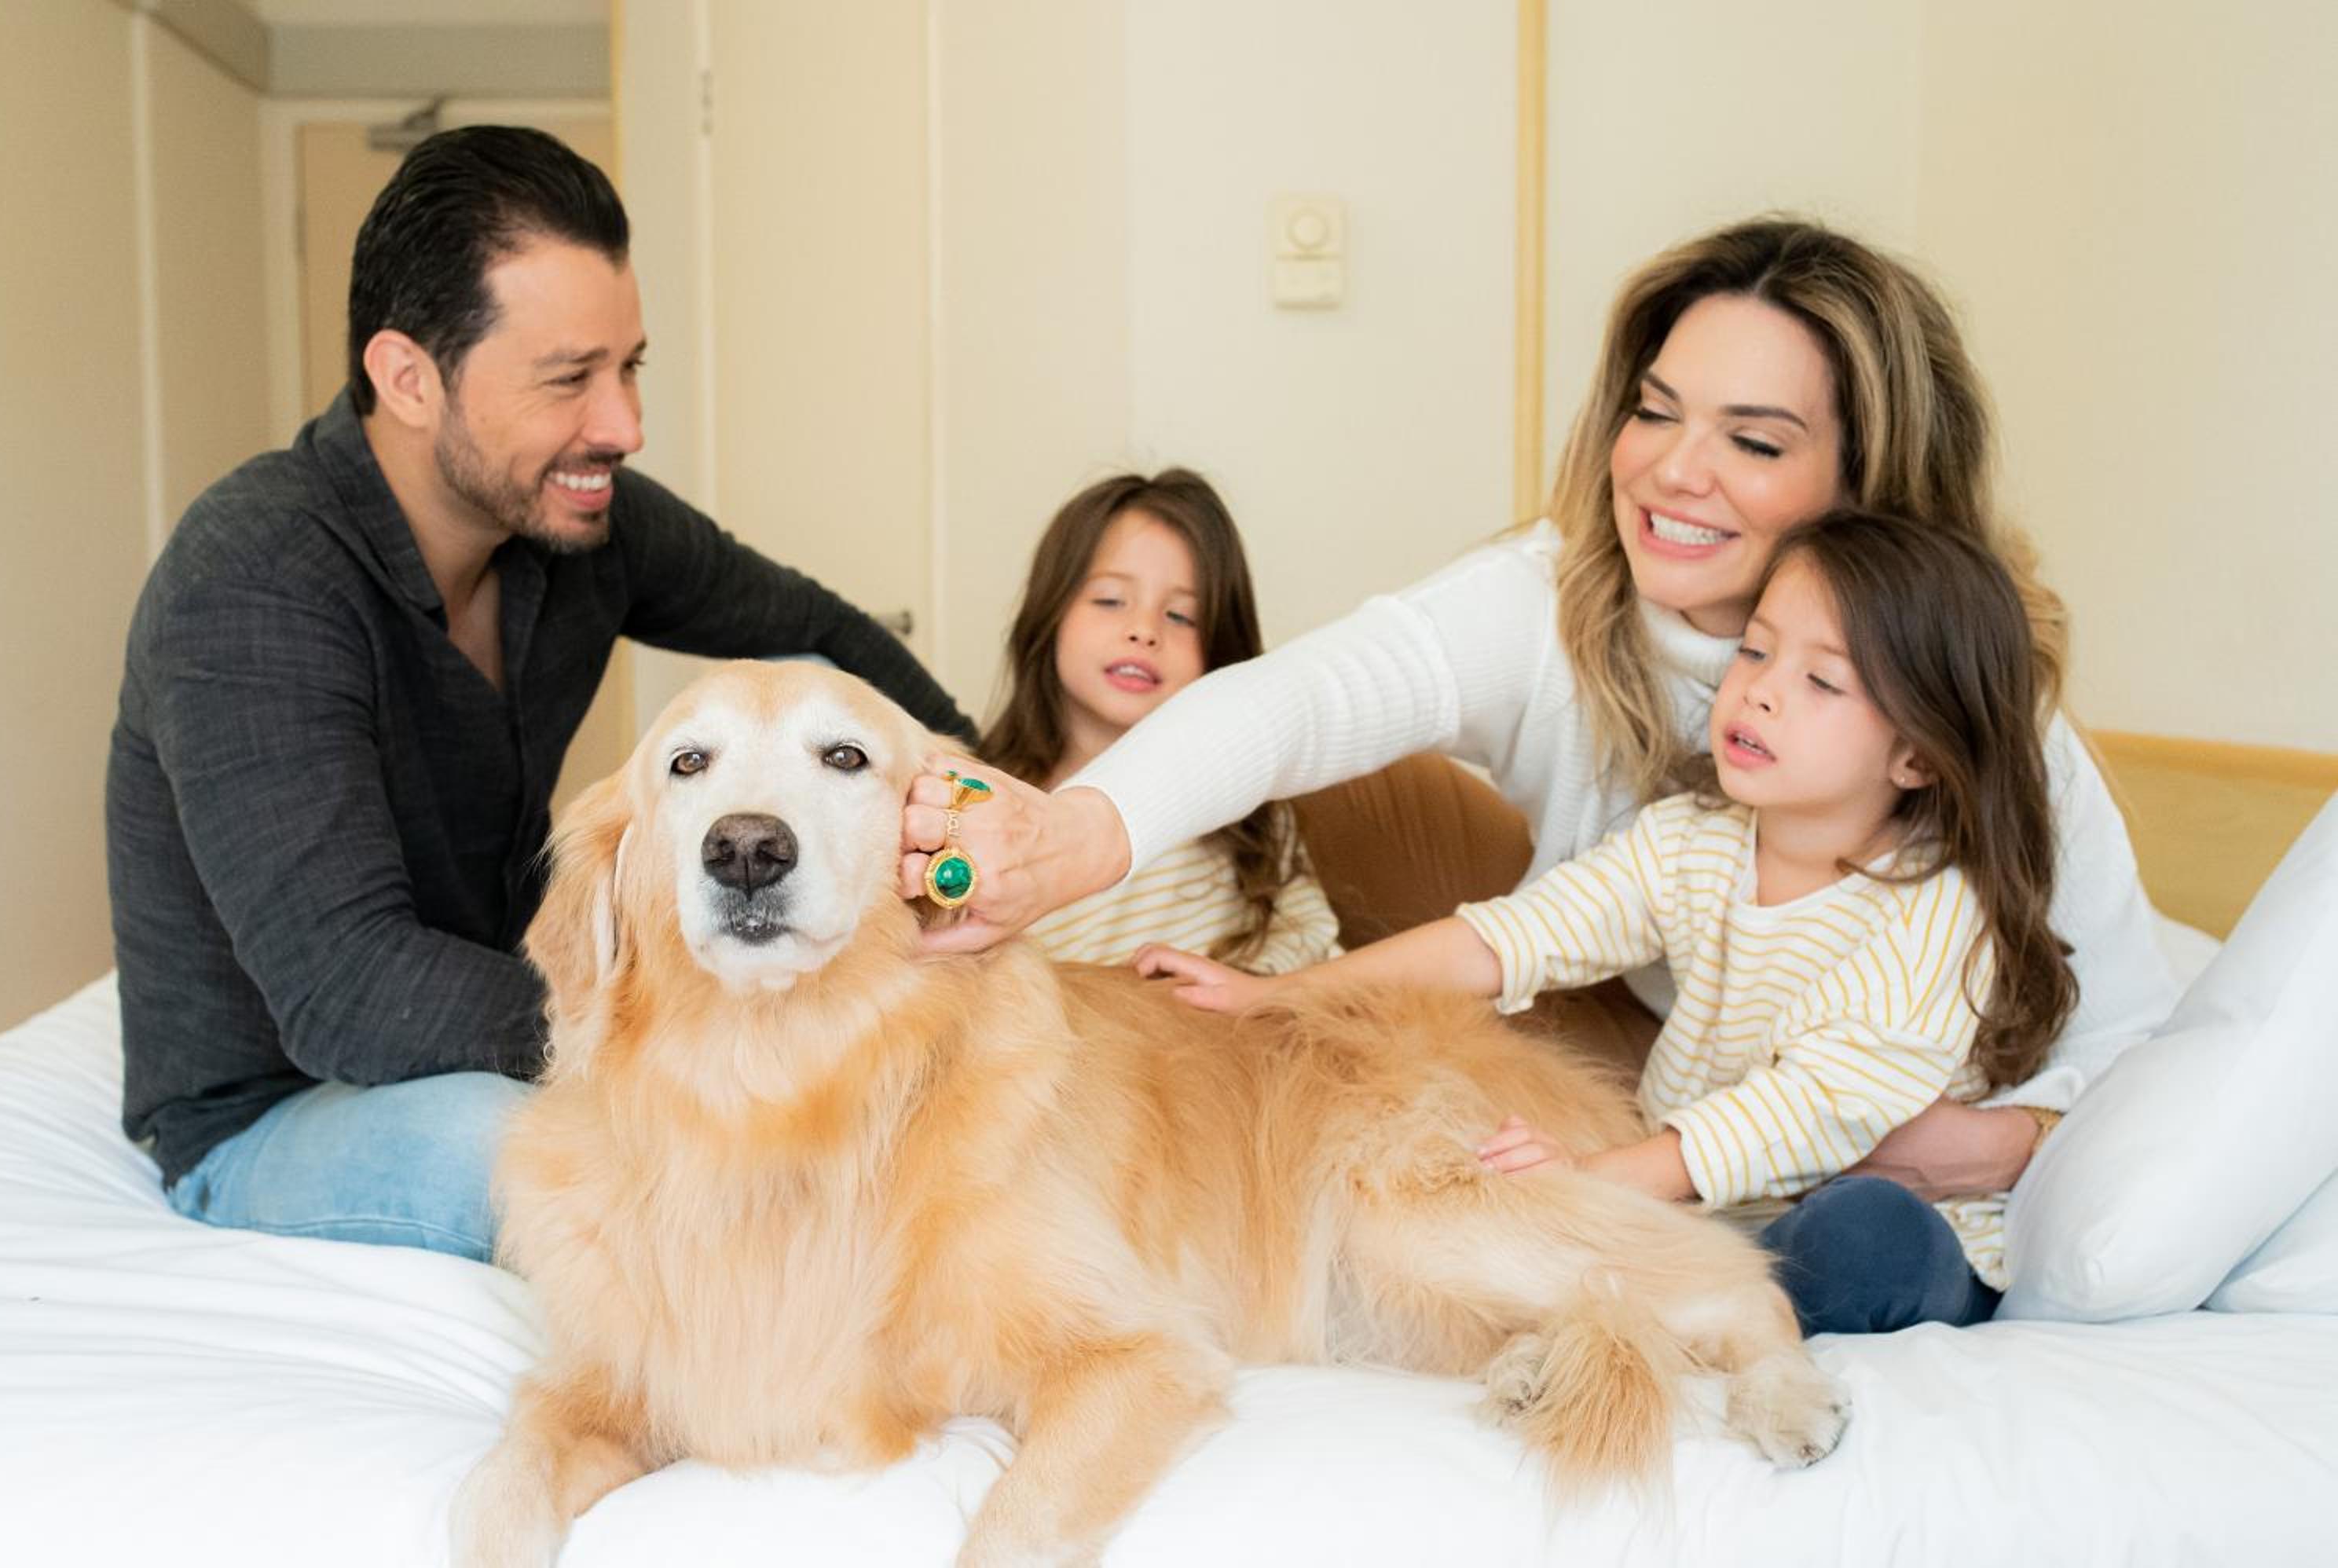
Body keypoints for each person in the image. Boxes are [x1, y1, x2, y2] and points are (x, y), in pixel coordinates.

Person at [898, 215, 2180, 1205]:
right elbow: (1307, 699)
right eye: (1656, 412)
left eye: (1753, 441)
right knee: (1350, 766)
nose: (1673, 470)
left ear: (1868, 486)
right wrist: (1076, 838)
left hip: (1817, 1093)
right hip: (1626, 1030)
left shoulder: (1969, 704)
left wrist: (1997, 1143)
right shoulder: (1551, 597)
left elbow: (2134, 1030)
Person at [107, 126, 974, 1262]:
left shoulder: (577, 520)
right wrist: (678, 1018)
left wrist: (988, 807)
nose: (624, 427)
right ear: (408, 378)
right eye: (570, 379)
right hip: (276, 1105)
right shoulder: (251, 580)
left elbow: (817, 634)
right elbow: (349, 993)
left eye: (630, 368)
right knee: (564, 1160)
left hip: (506, 1025)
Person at [1142, 511, 2070, 1333]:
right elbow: (1510, 938)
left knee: (1862, 1234)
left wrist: (1593, 1179)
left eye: (1822, 681)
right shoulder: (1695, 841)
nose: (1760, 690)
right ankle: (1702, 1295)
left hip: (1868, 1213)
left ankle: (1762, 1304)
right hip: (1704, 1210)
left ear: (1917, 756)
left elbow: (1803, 1109)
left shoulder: (1937, 912)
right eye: (1755, 651)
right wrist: (1281, 994)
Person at [978, 469, 1339, 972]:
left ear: (1219, 651)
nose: (1144, 631)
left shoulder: (1246, 805)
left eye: (1181, 616)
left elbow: (1309, 944)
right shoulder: (986, 805)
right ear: (1050, 615)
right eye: (1110, 600)